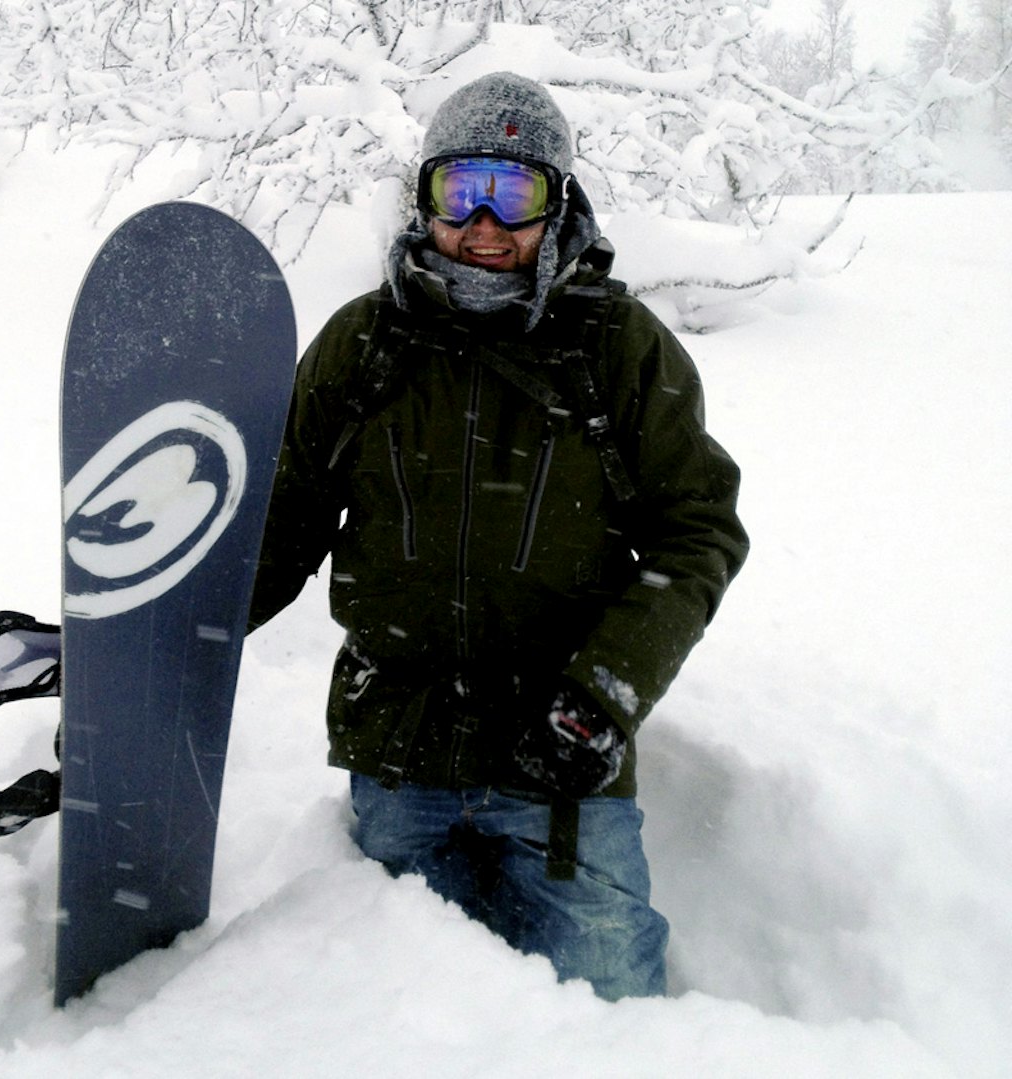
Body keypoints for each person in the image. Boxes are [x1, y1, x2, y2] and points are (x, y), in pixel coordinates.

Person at [245, 71, 749, 1001]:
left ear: (556, 204)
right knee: (389, 1019)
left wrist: (601, 698)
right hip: (398, 750)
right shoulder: (364, 345)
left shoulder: (620, 350)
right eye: (460, 188)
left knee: (614, 1016)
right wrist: (138, 636)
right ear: (425, 196)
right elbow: (279, 529)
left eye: (515, 193)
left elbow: (697, 533)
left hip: (560, 765)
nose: (484, 222)